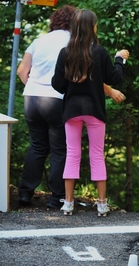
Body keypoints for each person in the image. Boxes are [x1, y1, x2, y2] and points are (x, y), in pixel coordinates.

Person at [51, 9, 129, 217]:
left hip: (71, 110)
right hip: (94, 109)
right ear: (93, 27)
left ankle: (68, 203)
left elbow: (57, 85)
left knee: (72, 154)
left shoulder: (65, 53)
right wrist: (120, 59)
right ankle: (102, 204)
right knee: (96, 154)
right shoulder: (100, 52)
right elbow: (115, 78)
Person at [16, 5, 77, 209]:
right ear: (74, 22)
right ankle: (56, 198)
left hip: (32, 98)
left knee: (37, 146)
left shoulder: (39, 40)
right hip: (56, 99)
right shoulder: (73, 41)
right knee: (60, 150)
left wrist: (35, 87)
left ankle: (25, 194)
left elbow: (22, 71)